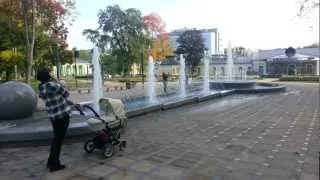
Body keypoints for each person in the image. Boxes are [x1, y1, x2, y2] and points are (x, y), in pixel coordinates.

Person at [36, 68, 73, 172]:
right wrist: (57, 81)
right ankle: (54, 164)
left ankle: (51, 161)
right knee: (58, 140)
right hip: (62, 115)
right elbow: (66, 94)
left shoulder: (41, 88)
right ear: (48, 76)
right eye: (49, 73)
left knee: (56, 139)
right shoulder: (53, 85)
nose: (51, 74)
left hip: (53, 116)